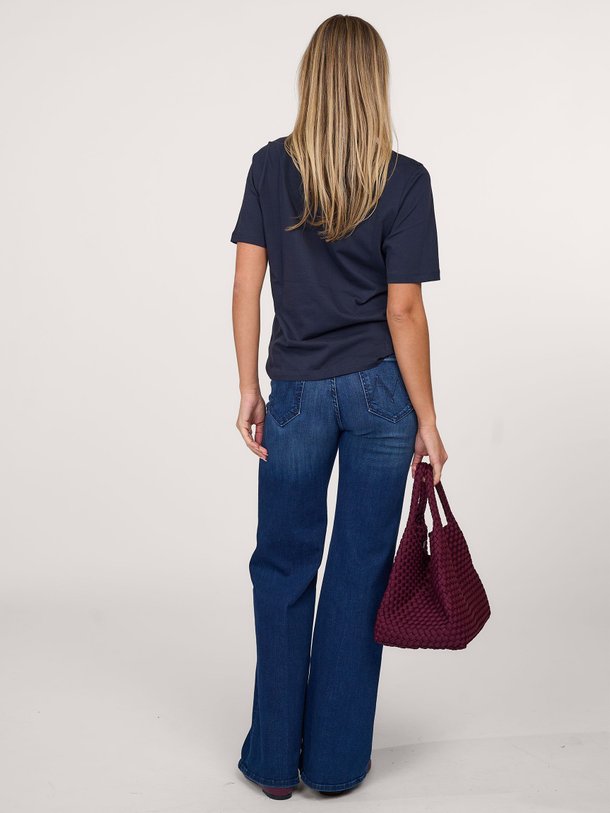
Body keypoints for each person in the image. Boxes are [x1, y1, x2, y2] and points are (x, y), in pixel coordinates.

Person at [229, 13, 448, 801]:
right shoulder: (406, 179)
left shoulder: (269, 166)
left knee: (283, 564)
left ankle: (272, 762)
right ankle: (332, 763)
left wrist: (249, 386)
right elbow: (404, 311)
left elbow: (246, 282)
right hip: (380, 394)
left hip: (295, 391)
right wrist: (427, 418)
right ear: (374, 84)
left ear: (311, 79)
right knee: (360, 571)